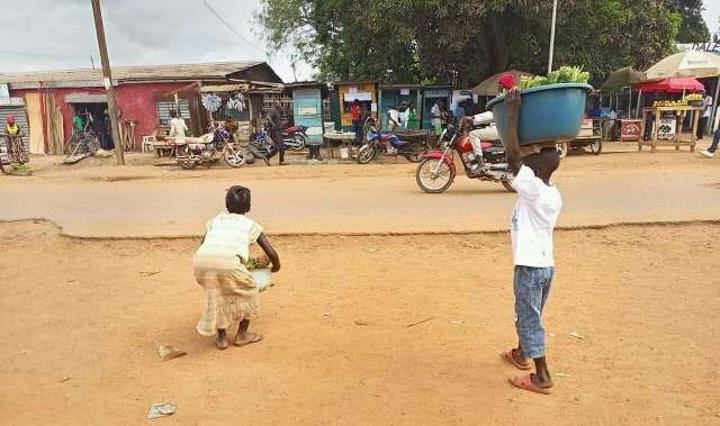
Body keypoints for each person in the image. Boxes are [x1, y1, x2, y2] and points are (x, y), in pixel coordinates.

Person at [500, 86, 562, 395]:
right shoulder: (551, 192)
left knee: (527, 315)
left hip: (530, 267)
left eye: (532, 160)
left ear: (536, 170)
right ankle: (523, 354)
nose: (526, 162)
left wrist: (512, 113)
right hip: (545, 266)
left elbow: (513, 158)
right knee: (530, 312)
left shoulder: (534, 189)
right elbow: (527, 159)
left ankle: (542, 375)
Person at [193, 186, 281, 349]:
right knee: (250, 290)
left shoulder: (214, 221)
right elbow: (271, 252)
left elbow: (204, 245)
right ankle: (242, 334)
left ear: (227, 203)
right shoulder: (251, 225)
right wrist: (275, 267)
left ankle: (221, 337)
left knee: (216, 293)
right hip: (227, 263)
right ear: (248, 206)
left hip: (200, 262)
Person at [267, 101, 286, 165]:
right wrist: (273, 124)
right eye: (279, 104)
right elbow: (268, 117)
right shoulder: (273, 110)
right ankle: (267, 156)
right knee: (279, 147)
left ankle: (281, 161)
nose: (280, 105)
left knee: (281, 147)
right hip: (274, 131)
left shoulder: (278, 111)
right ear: (275, 104)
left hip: (279, 131)